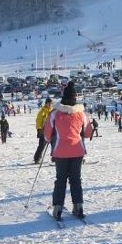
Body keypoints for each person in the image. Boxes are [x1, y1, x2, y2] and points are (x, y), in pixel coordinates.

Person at [44, 81, 91, 220]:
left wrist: (51, 137)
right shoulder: (82, 114)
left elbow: (47, 135)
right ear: (75, 97)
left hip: (60, 151)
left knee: (61, 180)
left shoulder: (55, 114)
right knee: (76, 179)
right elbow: (88, 133)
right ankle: (78, 206)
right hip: (77, 150)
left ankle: (58, 208)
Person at [34, 98, 53, 163]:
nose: (50, 105)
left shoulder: (52, 111)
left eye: (51, 104)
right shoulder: (42, 112)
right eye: (49, 103)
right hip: (43, 131)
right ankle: (37, 158)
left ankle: (55, 158)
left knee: (55, 144)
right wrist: (39, 129)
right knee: (41, 145)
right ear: (46, 103)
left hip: (51, 131)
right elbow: (38, 121)